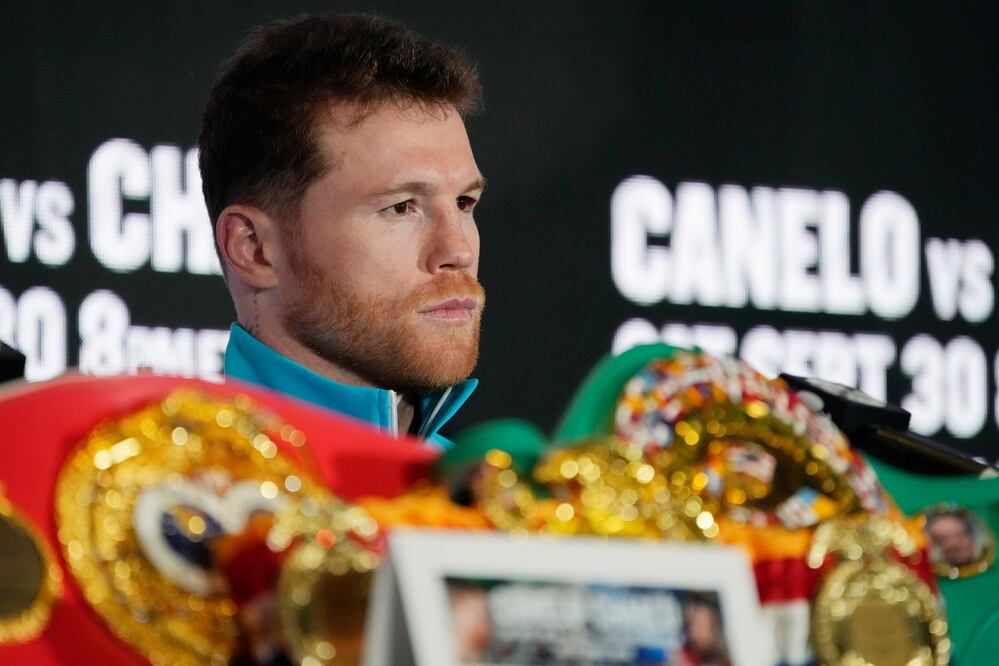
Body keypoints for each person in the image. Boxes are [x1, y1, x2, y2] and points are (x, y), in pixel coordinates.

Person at [199, 14, 486, 447]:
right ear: (253, 249)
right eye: (401, 207)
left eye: (464, 203)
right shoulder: (154, 490)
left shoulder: (499, 500)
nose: (458, 249)